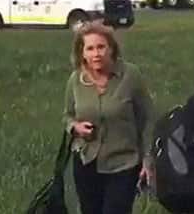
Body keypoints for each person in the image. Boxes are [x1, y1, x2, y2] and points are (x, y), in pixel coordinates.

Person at [63, 21, 155, 214]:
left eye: (101, 47)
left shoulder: (131, 76)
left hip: (123, 163)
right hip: (86, 161)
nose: (96, 54)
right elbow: (67, 115)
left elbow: (147, 120)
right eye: (90, 48)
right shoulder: (75, 80)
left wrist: (147, 160)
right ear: (82, 53)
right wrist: (75, 127)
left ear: (111, 49)